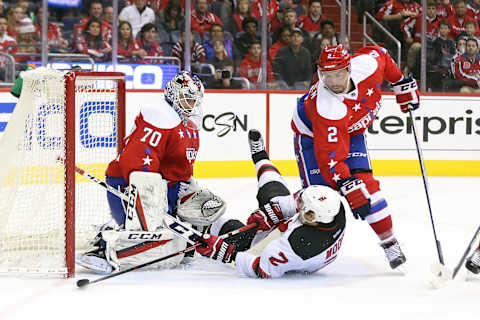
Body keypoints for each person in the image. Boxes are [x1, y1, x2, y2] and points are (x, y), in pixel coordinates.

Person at [75, 71, 224, 274]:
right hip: (130, 184)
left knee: (178, 243)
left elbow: (179, 168)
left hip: (163, 190)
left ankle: (116, 232)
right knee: (154, 237)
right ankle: (103, 247)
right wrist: (146, 199)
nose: (191, 104)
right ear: (173, 94)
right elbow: (137, 163)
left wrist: (188, 187)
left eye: (194, 99)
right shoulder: (161, 117)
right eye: (187, 98)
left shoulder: (188, 125)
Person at [291, 44, 420, 270]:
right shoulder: (326, 107)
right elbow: (330, 158)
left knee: (368, 187)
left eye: (338, 74)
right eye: (326, 75)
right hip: (313, 141)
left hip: (351, 132)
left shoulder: (367, 65)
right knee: (320, 201)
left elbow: (382, 54)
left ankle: (389, 241)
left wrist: (400, 83)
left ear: (349, 69)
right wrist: (346, 183)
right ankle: (286, 233)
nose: (332, 81)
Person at [195, 129, 346, 279]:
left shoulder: (296, 246)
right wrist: (273, 211)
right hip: (297, 233)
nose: (298, 207)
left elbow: (262, 269)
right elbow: (300, 199)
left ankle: (197, 226)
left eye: (304, 210)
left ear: (313, 217)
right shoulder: (333, 209)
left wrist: (226, 253)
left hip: (284, 253)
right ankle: (261, 157)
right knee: (272, 189)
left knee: (239, 236)